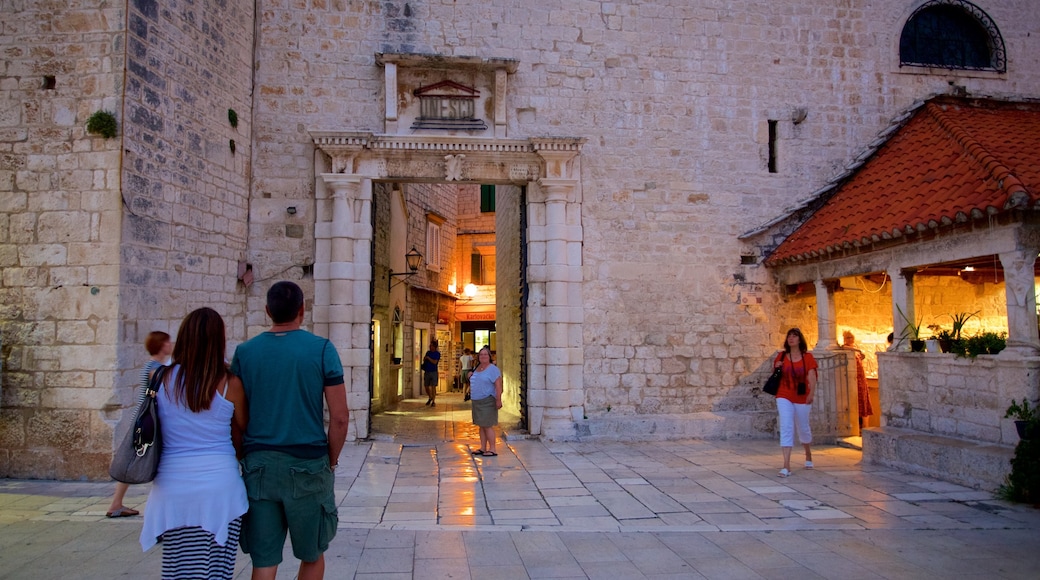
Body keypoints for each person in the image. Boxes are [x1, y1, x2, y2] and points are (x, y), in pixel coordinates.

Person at [231, 281, 349, 580]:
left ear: (267, 311)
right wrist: (331, 460)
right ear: (302, 310)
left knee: (264, 559)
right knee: (312, 554)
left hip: (260, 466)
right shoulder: (321, 349)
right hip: (308, 464)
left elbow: (235, 413)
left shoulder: (245, 353)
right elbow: (340, 418)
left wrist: (248, 451)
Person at [139, 309, 248, 579]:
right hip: (220, 486)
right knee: (217, 568)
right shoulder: (230, 383)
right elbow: (244, 430)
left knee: (178, 565)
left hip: (173, 484)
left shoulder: (160, 379)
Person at [107, 331, 173, 518]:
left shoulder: (155, 366)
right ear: (161, 345)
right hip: (147, 423)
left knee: (135, 460)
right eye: (167, 342)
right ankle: (121, 505)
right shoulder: (155, 369)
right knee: (145, 461)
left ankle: (116, 503)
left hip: (144, 421)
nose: (170, 345)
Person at [772, 328, 817, 477]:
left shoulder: (808, 357)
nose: (791, 338)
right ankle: (786, 465)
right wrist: (777, 366)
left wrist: (811, 393)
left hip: (802, 396)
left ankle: (808, 454)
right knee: (786, 425)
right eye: (789, 336)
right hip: (783, 394)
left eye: (794, 336)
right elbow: (775, 374)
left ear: (800, 339)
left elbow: (811, 376)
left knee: (803, 427)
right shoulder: (781, 356)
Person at [468, 346, 503, 457]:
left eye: (485, 354)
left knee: (487, 425)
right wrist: (470, 376)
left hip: (487, 400)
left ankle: (493, 449)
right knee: (481, 425)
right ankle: (483, 447)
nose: (483, 356)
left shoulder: (493, 369)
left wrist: (498, 400)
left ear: (489, 356)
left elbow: (498, 386)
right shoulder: (477, 367)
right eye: (481, 354)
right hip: (477, 401)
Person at [841, 331, 873, 427]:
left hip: (861, 379)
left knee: (864, 401)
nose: (850, 339)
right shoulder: (845, 349)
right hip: (852, 380)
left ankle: (865, 426)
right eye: (848, 337)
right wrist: (857, 350)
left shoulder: (856, 350)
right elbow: (844, 348)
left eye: (851, 337)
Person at [422, 340, 441, 407]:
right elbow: (424, 359)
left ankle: (433, 401)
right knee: (426, 386)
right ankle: (430, 397)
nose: (430, 347)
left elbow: (435, 362)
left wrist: (428, 358)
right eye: (430, 346)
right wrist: (425, 359)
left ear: (434, 347)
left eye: (431, 346)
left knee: (433, 387)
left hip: (433, 372)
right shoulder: (428, 352)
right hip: (427, 371)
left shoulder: (437, 354)